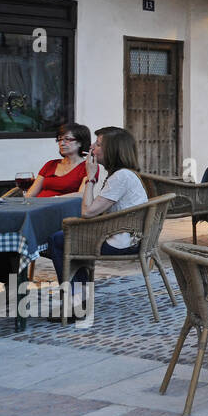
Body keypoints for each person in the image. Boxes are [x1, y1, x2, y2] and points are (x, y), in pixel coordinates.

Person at [42, 126, 148, 295]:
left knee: (58, 240)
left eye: (98, 144)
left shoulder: (121, 177)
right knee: (66, 240)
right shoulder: (123, 174)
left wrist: (90, 178)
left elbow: (87, 212)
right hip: (126, 236)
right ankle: (79, 295)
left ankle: (76, 301)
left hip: (122, 242)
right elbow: (94, 210)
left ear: (112, 150)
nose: (91, 147)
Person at [22, 123, 90, 198]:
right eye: (60, 139)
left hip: (63, 208)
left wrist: (54, 199)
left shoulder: (87, 166)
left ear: (80, 143)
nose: (61, 143)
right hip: (39, 206)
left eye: (67, 139)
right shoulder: (50, 164)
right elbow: (30, 194)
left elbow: (81, 194)